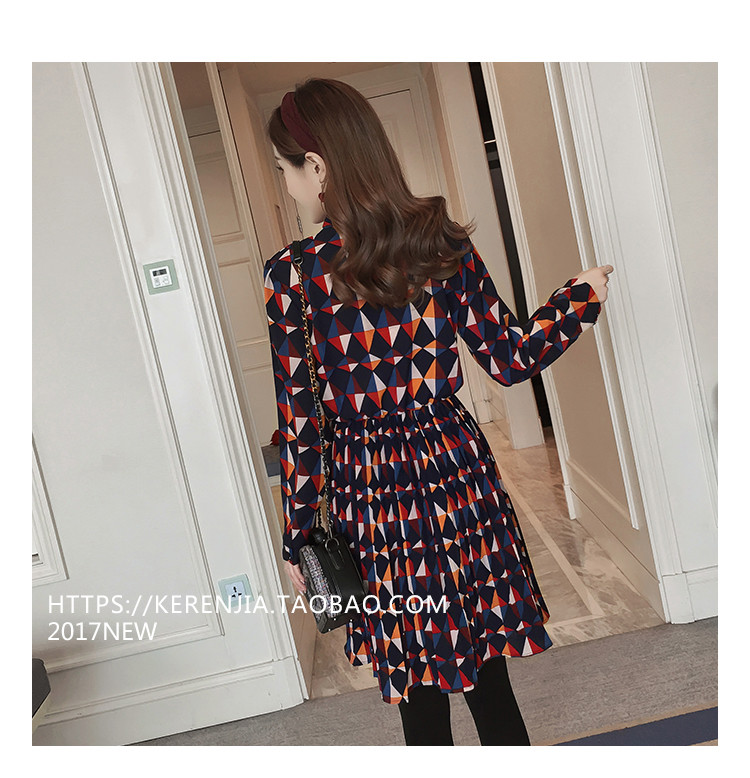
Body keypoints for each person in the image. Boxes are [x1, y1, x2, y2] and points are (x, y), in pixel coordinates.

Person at [263, 77, 612, 746]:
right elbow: (510, 358)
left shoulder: (293, 276)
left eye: (286, 168)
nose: (287, 183)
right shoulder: (437, 242)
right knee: (488, 677)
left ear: (319, 167)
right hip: (455, 473)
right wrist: (579, 297)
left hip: (372, 493)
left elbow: (301, 425)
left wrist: (297, 538)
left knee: (416, 690)